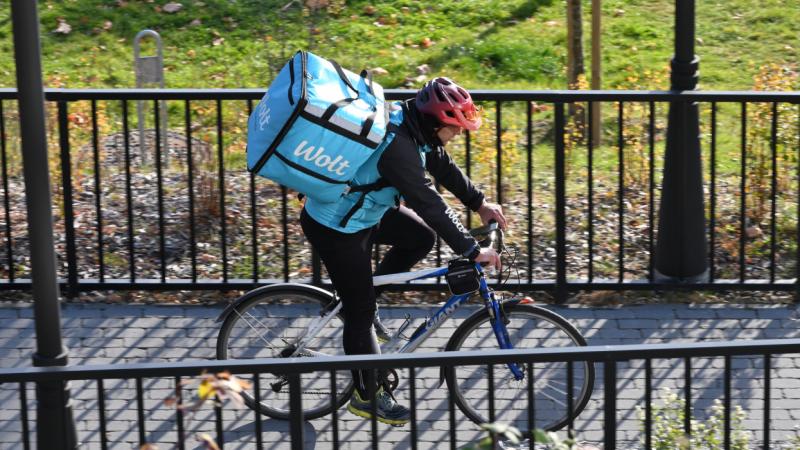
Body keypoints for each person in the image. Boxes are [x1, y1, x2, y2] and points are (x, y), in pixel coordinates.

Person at [300, 77, 507, 426]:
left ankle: (368, 297)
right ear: (436, 122)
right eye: (455, 128)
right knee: (360, 309)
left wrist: (480, 202)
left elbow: (441, 163)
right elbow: (430, 203)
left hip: (365, 211)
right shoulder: (398, 147)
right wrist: (472, 251)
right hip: (337, 225)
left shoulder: (413, 126)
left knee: (420, 238)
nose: (458, 134)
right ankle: (366, 395)